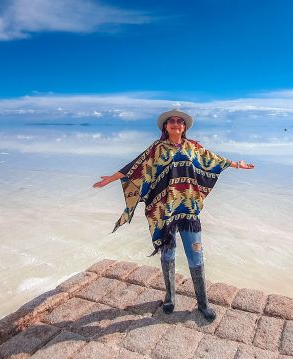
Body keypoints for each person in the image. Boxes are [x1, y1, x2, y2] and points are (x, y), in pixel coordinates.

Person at [92, 109, 254, 322]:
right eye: (172, 122)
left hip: (189, 211)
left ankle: (203, 303)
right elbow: (135, 167)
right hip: (165, 213)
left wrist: (236, 164)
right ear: (165, 127)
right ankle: (170, 297)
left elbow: (214, 160)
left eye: (180, 122)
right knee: (167, 254)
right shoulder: (156, 149)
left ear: (184, 127)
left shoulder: (193, 147)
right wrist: (111, 179)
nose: (176, 124)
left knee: (195, 255)